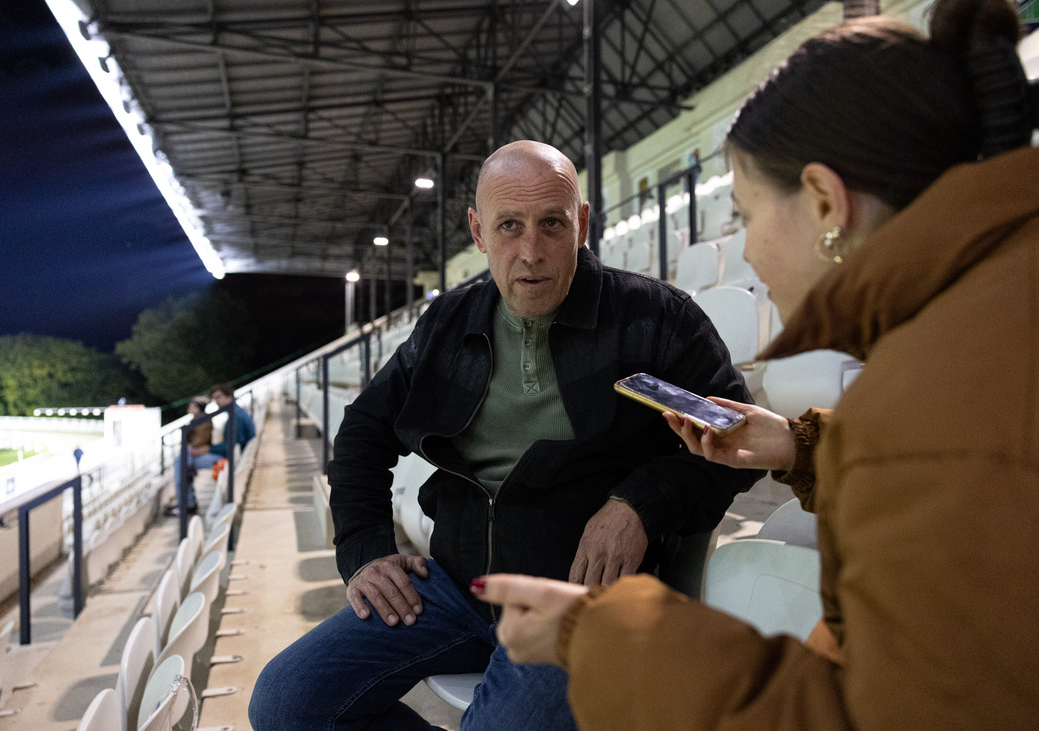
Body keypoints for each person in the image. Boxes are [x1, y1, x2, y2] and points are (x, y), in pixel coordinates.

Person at [476, 1, 1039, 728]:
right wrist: (804, 445)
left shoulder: (942, 388)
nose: (748, 251)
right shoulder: (1015, 301)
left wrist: (599, 634)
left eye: (750, 213)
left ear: (823, 201)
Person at [248, 140, 763, 730]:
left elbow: (737, 444)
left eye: (552, 224)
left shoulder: (655, 318)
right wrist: (366, 550)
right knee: (286, 703)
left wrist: (637, 505)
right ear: (478, 232)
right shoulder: (448, 324)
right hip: (455, 586)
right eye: (510, 226)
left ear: (584, 224)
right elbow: (364, 428)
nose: (531, 252)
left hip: (580, 598)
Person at [169, 396, 220, 515]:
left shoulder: (204, 421)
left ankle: (186, 505)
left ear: (198, 408)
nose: (189, 408)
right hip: (195, 454)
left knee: (181, 468)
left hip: (202, 455)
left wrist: (189, 446)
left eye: (192, 406)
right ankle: (187, 503)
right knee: (182, 468)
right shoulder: (198, 420)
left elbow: (199, 442)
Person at [208, 382, 255, 460]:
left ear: (229, 396)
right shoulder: (236, 413)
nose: (217, 401)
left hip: (241, 458)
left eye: (219, 397)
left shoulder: (236, 416)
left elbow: (233, 447)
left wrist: (209, 449)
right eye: (215, 398)